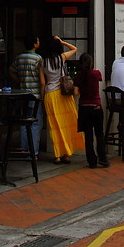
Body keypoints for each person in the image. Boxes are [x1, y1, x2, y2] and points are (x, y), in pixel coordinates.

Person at [40, 36, 83, 164]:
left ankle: (57, 155)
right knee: (67, 123)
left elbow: (43, 82)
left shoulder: (42, 62)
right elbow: (75, 48)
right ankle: (67, 153)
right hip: (63, 95)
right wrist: (62, 41)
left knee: (54, 126)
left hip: (50, 95)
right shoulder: (61, 58)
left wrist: (42, 97)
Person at [8, 34, 45, 159]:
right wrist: (42, 94)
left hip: (23, 94)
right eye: (38, 40)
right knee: (35, 123)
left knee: (24, 123)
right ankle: (33, 151)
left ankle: (23, 149)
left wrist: (19, 81)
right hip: (34, 95)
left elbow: (11, 70)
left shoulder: (20, 57)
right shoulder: (38, 59)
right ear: (35, 44)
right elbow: (42, 81)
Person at [73, 52, 108, 169]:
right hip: (96, 106)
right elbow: (100, 79)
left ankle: (91, 161)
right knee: (99, 133)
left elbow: (76, 92)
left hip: (84, 107)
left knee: (88, 135)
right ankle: (103, 158)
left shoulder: (78, 76)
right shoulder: (96, 74)